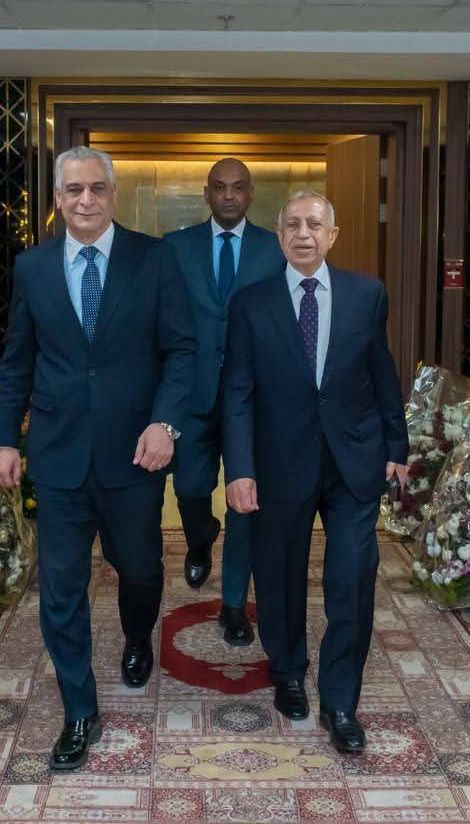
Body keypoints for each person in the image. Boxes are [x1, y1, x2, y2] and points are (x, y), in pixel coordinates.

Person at [0, 146, 196, 771]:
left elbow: (183, 351)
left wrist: (165, 423)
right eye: (73, 190)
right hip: (58, 456)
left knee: (140, 570)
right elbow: (18, 359)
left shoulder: (154, 259)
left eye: (96, 188)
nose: (85, 200)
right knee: (61, 587)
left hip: (135, 455)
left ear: (113, 194)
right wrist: (3, 437)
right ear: (57, 198)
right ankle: (79, 710)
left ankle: (138, 635)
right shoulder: (32, 267)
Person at [222, 190, 408, 754]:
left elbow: (382, 374)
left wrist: (396, 446)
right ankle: (287, 671)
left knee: (351, 577)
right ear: (280, 236)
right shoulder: (250, 304)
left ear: (332, 235)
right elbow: (237, 391)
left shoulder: (366, 295)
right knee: (279, 573)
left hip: (354, 460)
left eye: (314, 224)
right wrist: (240, 468)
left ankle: (340, 701)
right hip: (279, 462)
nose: (304, 234)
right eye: (293, 225)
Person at [163, 157, 284, 646]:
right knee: (190, 489)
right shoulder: (175, 248)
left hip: (252, 400)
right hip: (192, 397)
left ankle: (233, 605)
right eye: (219, 187)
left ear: (250, 194)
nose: (229, 195)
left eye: (238, 187)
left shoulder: (275, 249)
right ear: (206, 194)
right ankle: (200, 538)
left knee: (244, 504)